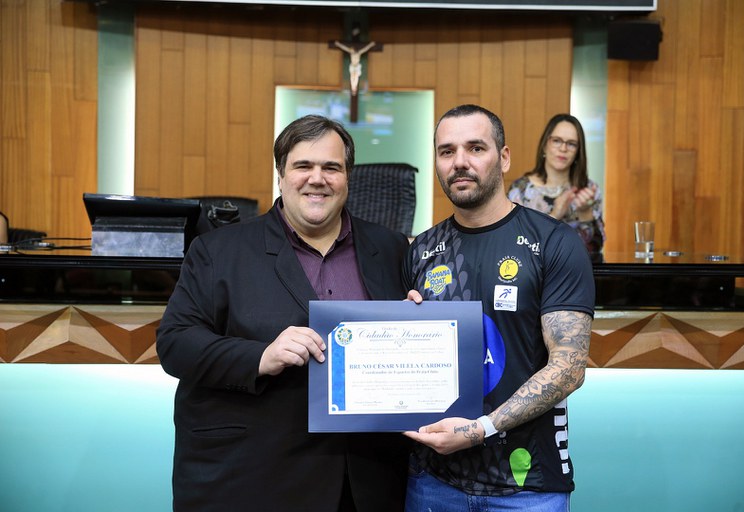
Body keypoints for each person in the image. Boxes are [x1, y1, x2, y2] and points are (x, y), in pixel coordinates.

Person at [156, 115, 410, 511]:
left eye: (331, 167)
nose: (317, 178)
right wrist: (261, 356)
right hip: (255, 477)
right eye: (303, 166)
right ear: (280, 175)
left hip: (365, 482)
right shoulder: (218, 250)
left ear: (347, 177)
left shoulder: (392, 248)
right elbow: (175, 343)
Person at [402, 105, 594, 512]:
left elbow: (569, 367)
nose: (460, 162)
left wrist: (480, 429)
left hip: (528, 487)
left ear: (504, 158)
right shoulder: (421, 250)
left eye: (475, 148)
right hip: (434, 481)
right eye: (447, 151)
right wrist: (400, 329)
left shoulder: (553, 241)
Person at [507, 113, 606, 258]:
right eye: (557, 141)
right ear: (545, 145)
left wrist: (585, 213)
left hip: (576, 270)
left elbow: (595, 250)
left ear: (578, 152)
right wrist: (554, 215)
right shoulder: (520, 190)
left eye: (571, 144)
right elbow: (512, 244)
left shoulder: (589, 190)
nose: (563, 148)